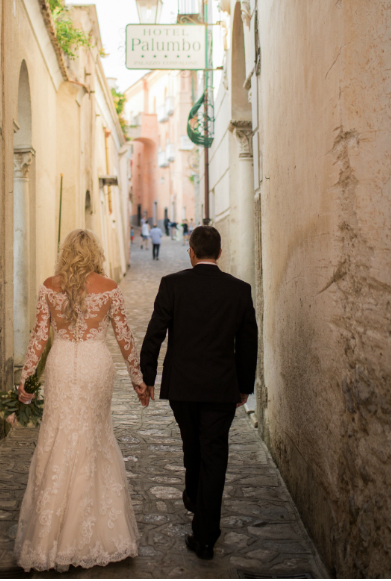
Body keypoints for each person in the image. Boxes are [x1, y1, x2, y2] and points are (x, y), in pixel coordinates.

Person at [13, 229, 149, 571]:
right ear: (94, 254)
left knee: (58, 432)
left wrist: (26, 383)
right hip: (94, 365)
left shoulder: (49, 286)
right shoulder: (109, 288)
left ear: (66, 252)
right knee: (93, 435)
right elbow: (124, 337)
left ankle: (51, 534)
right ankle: (95, 532)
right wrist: (139, 381)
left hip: (61, 363)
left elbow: (38, 338)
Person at [139, 226, 258, 561]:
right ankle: (206, 534)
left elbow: (155, 332)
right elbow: (248, 341)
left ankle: (195, 500)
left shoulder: (173, 285)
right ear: (219, 253)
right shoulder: (239, 290)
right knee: (214, 455)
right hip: (221, 388)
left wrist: (147, 376)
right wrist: (244, 385)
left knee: (192, 445)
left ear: (191, 251)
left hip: (183, 386)